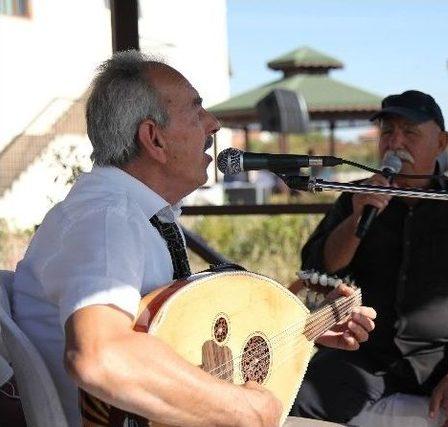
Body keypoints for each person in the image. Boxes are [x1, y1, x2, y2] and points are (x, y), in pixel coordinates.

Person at [10, 50, 375, 427]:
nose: (213, 124)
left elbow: (174, 335)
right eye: (196, 110)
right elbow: (100, 356)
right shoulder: (107, 221)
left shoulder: (133, 217)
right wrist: (244, 410)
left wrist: (301, 327)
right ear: (154, 138)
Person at [290, 90, 448, 427]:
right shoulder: (358, 197)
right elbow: (318, 269)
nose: (396, 143)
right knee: (295, 393)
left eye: (410, 132)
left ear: (441, 142)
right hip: (372, 354)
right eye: (388, 132)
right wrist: (357, 219)